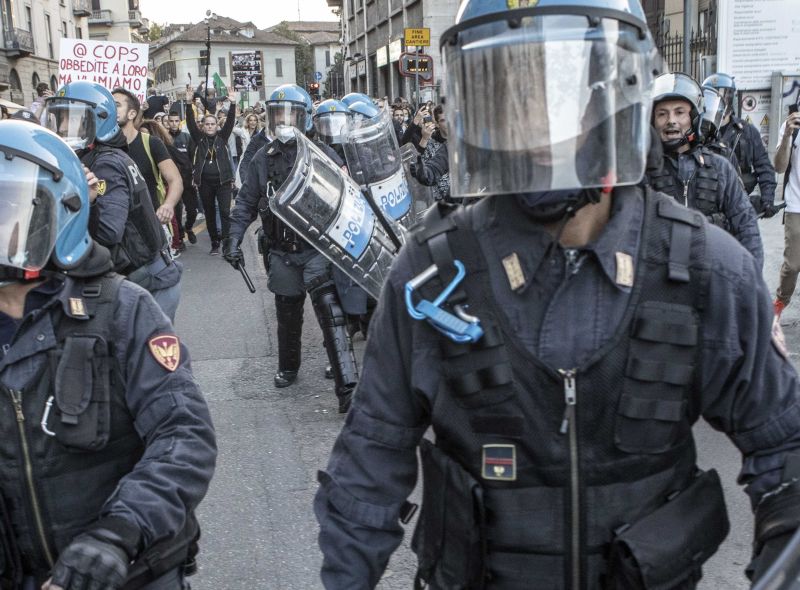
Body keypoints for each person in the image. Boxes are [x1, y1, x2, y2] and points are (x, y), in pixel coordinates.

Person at [314, 1, 800, 589]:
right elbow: (370, 459)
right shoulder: (432, 273)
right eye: (512, 91)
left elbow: (785, 446)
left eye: (560, 86)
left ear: (609, 96)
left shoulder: (705, 270)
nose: (535, 118)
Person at [0, 120, 216, 590]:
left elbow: (184, 434)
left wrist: (119, 532)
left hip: (129, 570)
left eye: (7, 209)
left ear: (55, 214)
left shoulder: (122, 309)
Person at [223, 84, 359, 414]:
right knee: (287, 311)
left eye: (290, 115)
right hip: (282, 249)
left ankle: (347, 386)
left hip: (317, 247)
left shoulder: (323, 152)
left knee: (330, 312)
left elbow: (348, 195)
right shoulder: (262, 157)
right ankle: (289, 367)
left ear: (306, 117)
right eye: (277, 114)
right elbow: (245, 202)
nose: (283, 121)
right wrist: (233, 237)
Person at [46, 81, 183, 322]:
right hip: (141, 279)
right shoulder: (98, 157)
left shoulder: (105, 163)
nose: (63, 126)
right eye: (60, 118)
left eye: (73, 118)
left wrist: (90, 203)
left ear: (98, 120)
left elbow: (108, 233)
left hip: (148, 284)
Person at [648, 72, 763, 267]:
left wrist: (750, 282)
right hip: (658, 279)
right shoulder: (642, 172)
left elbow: (747, 228)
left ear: (694, 117)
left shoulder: (720, 168)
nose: (671, 120)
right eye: (662, 113)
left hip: (712, 273)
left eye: (679, 112)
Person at [703, 72, 779, 217]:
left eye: (724, 96)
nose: (719, 101)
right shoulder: (700, 131)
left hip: (739, 202)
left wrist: (767, 200)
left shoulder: (747, 131)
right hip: (706, 202)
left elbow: (764, 167)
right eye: (712, 97)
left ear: (731, 98)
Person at [185, 107, 236, 255]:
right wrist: (188, 103)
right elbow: (190, 123)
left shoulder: (223, 137)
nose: (209, 126)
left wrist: (232, 103)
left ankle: (226, 242)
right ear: (203, 126)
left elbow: (230, 122)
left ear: (216, 125)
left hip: (223, 182)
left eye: (212, 124)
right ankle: (215, 242)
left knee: (225, 212)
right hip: (205, 183)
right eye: (207, 124)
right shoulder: (199, 138)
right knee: (210, 212)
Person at [772, 102, 800, 318]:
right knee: (792, 265)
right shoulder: (791, 127)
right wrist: (787, 136)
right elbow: (780, 167)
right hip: (796, 206)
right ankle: (780, 303)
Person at [166, 110, 200, 246]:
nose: (174, 124)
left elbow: (194, 159)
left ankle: (189, 227)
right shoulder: (164, 138)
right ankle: (179, 235)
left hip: (187, 180)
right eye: (171, 121)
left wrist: (194, 176)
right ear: (168, 122)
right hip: (172, 180)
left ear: (179, 122)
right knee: (177, 211)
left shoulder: (187, 137)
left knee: (192, 210)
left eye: (176, 121)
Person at [411, 104, 451, 202]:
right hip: (439, 199)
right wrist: (424, 139)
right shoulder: (429, 142)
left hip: (461, 198)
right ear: (437, 124)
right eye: (443, 120)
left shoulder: (460, 142)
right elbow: (420, 166)